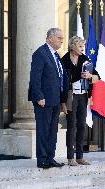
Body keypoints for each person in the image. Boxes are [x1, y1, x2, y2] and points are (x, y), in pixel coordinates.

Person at [28, 28, 68, 169]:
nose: (61, 40)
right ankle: (42, 160)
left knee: (52, 131)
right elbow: (35, 77)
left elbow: (60, 78)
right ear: (49, 38)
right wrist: (39, 96)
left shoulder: (56, 55)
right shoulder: (40, 53)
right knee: (43, 130)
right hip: (44, 100)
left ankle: (50, 158)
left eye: (62, 38)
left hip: (55, 100)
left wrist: (63, 100)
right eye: (59, 38)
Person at [61, 36, 99, 166]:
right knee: (71, 126)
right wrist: (63, 102)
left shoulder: (85, 60)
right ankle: (70, 157)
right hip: (71, 96)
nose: (83, 49)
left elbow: (97, 77)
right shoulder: (64, 60)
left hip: (83, 96)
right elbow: (62, 82)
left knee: (82, 125)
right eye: (80, 46)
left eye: (83, 46)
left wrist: (90, 76)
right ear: (72, 47)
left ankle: (80, 156)